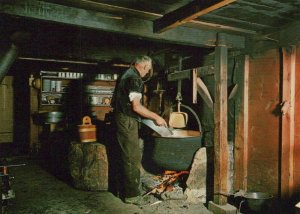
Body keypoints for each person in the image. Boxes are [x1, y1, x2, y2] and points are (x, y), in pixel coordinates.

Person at [113, 55, 167, 204]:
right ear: (143, 66)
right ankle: (132, 196)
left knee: (125, 155)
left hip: (122, 118)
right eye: (148, 70)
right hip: (127, 121)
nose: (147, 73)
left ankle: (122, 190)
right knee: (132, 157)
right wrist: (156, 117)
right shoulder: (135, 79)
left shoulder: (125, 74)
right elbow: (136, 107)